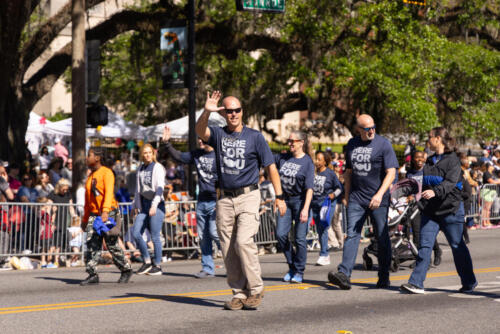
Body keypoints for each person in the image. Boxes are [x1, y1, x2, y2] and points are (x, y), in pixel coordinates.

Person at [196, 91, 286, 311]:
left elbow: (270, 167)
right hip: (225, 198)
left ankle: (256, 289)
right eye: (229, 110)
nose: (233, 114)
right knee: (227, 248)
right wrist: (206, 112)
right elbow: (199, 131)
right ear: (224, 113)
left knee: (243, 242)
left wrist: (279, 196)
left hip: (248, 195)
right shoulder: (218, 134)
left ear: (242, 111)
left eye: (237, 110)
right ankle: (239, 292)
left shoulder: (254, 137)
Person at [400, 127, 477, 294]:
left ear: (438, 139)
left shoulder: (453, 160)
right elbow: (423, 182)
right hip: (430, 212)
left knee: (457, 246)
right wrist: (404, 191)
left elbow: (450, 183)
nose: (428, 140)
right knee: (424, 246)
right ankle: (416, 283)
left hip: (451, 210)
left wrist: (435, 191)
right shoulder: (429, 161)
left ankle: (469, 281)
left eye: (430, 137)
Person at [327, 114, 398, 290]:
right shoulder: (352, 144)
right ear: (358, 129)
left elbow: (391, 173)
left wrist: (380, 195)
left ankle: (384, 276)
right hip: (357, 198)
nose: (371, 131)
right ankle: (344, 274)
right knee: (352, 234)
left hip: (378, 199)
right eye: (367, 129)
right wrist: (347, 194)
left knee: (382, 238)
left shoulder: (383, 144)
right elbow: (349, 172)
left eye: (373, 127)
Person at [162, 126, 221, 278]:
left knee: (215, 233)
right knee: (203, 236)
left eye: (203, 138)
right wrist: (167, 144)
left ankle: (235, 262)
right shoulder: (197, 154)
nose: (200, 141)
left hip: (217, 202)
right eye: (199, 138)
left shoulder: (220, 155)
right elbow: (179, 156)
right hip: (201, 202)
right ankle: (208, 268)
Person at [80, 148, 132, 285]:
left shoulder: (107, 173)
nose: (87, 158)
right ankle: (92, 274)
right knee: (91, 243)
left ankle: (126, 269)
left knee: (111, 244)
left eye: (89, 155)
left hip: (109, 213)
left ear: (97, 158)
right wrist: (85, 219)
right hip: (94, 214)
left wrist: (105, 212)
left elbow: (109, 194)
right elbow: (88, 201)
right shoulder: (90, 176)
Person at [274, 131, 314, 282]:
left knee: (299, 239)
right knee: (281, 234)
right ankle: (291, 265)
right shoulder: (283, 158)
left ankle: (299, 271)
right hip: (285, 201)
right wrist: (278, 198)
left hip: (300, 202)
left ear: (301, 142)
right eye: (288, 140)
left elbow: (310, 188)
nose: (290, 143)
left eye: (293, 141)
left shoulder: (307, 162)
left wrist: (305, 209)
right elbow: (267, 162)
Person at [131, 144, 166, 276]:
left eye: (149, 153)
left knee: (155, 236)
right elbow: (138, 190)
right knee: (136, 233)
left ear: (153, 154)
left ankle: (157, 265)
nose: (147, 155)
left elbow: (160, 187)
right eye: (144, 153)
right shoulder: (140, 169)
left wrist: (154, 205)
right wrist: (134, 205)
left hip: (156, 204)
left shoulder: (157, 167)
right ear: (141, 155)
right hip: (144, 205)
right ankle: (146, 261)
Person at [406, 151, 442, 266]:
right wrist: (409, 195)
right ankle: (421, 259)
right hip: (415, 205)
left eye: (422, 157)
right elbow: (408, 188)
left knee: (428, 232)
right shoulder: (410, 173)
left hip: (427, 204)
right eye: (417, 157)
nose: (420, 159)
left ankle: (437, 250)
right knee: (417, 233)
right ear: (413, 159)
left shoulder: (429, 170)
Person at [312, 150, 342, 266]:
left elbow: (339, 188)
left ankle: (324, 254)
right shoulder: (313, 173)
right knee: (320, 230)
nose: (317, 161)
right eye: (316, 159)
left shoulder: (330, 174)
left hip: (327, 204)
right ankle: (325, 253)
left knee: (324, 228)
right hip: (315, 204)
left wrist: (333, 195)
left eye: (319, 159)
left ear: (325, 162)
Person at [48, 178, 75, 267]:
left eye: (67, 189)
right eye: (64, 189)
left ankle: (58, 260)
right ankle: (50, 261)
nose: (65, 191)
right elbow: (48, 206)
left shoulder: (68, 194)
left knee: (62, 242)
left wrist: (75, 219)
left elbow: (71, 208)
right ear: (59, 187)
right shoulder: (53, 194)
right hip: (55, 220)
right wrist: (49, 221)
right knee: (54, 242)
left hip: (64, 220)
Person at [479, 161, 500, 228]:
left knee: (488, 208)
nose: (493, 167)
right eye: (491, 165)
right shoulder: (486, 173)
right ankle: (484, 222)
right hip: (486, 191)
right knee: (485, 208)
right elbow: (491, 181)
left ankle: (487, 221)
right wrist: (498, 181)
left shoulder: (492, 173)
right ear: (489, 167)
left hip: (491, 192)